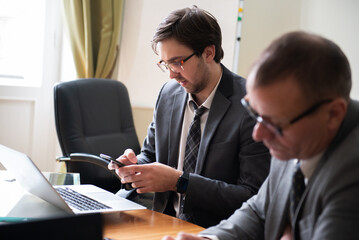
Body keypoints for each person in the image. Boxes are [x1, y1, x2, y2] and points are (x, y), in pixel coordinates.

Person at [162, 31, 359, 240]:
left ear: (333, 115)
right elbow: (259, 211)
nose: (258, 134)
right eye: (255, 113)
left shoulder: (352, 171)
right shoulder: (295, 138)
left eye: (274, 123)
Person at [108, 6, 270, 228]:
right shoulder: (168, 94)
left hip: (215, 231)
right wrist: (134, 166)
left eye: (177, 62)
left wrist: (179, 182)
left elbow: (252, 197)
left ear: (209, 52)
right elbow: (151, 154)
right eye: (165, 64)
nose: (171, 74)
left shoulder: (249, 105)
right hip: (162, 224)